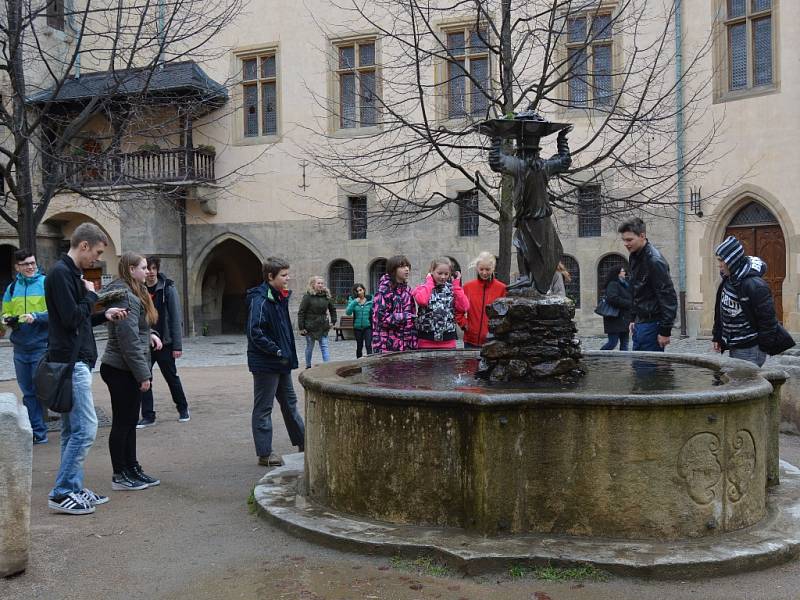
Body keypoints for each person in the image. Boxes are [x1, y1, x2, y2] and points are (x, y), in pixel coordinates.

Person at [45, 223, 128, 515]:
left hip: (75, 359)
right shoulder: (61, 274)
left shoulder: (70, 273)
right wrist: (92, 296)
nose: (96, 258)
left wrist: (103, 315)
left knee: (72, 430)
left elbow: (77, 320)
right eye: (96, 252)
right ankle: (62, 491)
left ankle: (74, 487)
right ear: (83, 246)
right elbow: (69, 319)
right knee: (86, 429)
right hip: (71, 362)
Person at [100, 253, 163, 491]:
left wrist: (152, 335)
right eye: (144, 267)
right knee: (122, 423)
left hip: (126, 367)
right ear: (131, 269)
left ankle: (132, 468)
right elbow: (127, 340)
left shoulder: (136, 291)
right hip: (120, 368)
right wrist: (143, 374)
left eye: (148, 267)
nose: (148, 271)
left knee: (129, 421)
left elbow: (138, 331)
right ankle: (120, 475)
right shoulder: (126, 296)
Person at [246, 257, 305, 467]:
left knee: (290, 403)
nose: (288, 278)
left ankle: (304, 442)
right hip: (266, 363)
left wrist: (284, 354)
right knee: (264, 407)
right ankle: (265, 453)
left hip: (281, 362)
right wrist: (277, 350)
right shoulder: (261, 300)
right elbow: (256, 332)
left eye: (287, 274)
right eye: (284, 275)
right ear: (271, 277)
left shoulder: (279, 297)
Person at [712, 236, 788, 366]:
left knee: (745, 382)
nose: (719, 264)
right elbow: (720, 311)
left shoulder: (755, 285)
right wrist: (718, 336)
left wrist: (763, 346)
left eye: (721, 260)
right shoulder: (727, 280)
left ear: (732, 260)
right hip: (734, 344)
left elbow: (768, 321)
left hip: (750, 348)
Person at [2, 250, 49, 444]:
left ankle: (49, 428)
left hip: (41, 345)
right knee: (28, 392)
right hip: (20, 348)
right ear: (17, 267)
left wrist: (37, 317)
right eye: (25, 264)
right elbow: (5, 312)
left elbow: (56, 312)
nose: (30, 267)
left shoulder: (46, 283)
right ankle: (38, 432)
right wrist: (5, 320)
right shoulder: (12, 288)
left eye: (32, 263)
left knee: (43, 390)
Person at [137, 256, 189, 428]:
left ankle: (183, 408)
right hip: (146, 342)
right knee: (145, 379)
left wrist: (177, 346)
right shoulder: (139, 289)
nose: (150, 272)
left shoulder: (167, 288)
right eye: (147, 269)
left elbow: (175, 317)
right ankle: (148, 415)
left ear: (157, 270)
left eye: (153, 268)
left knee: (171, 377)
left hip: (165, 343)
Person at [618, 217, 677, 352]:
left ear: (642, 236)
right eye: (624, 240)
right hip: (641, 322)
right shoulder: (635, 255)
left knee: (648, 369)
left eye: (629, 240)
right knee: (640, 367)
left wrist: (665, 331)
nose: (626, 244)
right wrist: (633, 318)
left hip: (652, 323)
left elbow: (668, 297)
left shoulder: (654, 261)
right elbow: (636, 289)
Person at [412, 257, 469, 350]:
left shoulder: (453, 289)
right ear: (432, 272)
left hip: (448, 341)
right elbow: (422, 301)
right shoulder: (422, 288)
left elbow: (464, 307)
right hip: (426, 341)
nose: (443, 277)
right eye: (439, 273)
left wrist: (456, 286)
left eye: (446, 274)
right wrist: (429, 282)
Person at [460, 252, 507, 349]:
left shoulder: (502, 288)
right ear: (477, 268)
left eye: (488, 269)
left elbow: (505, 313)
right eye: (481, 269)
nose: (484, 273)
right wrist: (463, 324)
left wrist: (498, 330)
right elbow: (457, 308)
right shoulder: (468, 287)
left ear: (493, 268)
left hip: (492, 340)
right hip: (470, 340)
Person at [372, 255, 417, 353]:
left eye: (407, 266)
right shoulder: (384, 290)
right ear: (393, 270)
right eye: (402, 266)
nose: (406, 269)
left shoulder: (408, 290)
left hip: (406, 344)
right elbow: (380, 319)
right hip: (387, 345)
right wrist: (404, 316)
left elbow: (412, 316)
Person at [297, 276, 337, 369]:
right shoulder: (308, 296)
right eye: (318, 283)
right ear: (313, 285)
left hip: (323, 325)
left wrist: (333, 321)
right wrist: (301, 327)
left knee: (324, 346)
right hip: (310, 326)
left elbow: (332, 309)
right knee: (310, 347)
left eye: (322, 283)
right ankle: (308, 365)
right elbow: (301, 312)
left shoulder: (326, 296)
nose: (320, 285)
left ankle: (327, 367)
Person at [599, 266, 633, 351]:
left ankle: (622, 363)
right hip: (614, 318)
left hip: (624, 318)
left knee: (625, 344)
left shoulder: (625, 284)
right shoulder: (613, 284)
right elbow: (612, 298)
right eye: (623, 271)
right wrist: (629, 303)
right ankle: (598, 356)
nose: (625, 273)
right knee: (612, 343)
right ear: (618, 273)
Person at [345, 283, 373, 358]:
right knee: (359, 346)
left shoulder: (370, 299)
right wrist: (354, 302)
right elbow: (348, 312)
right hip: (357, 328)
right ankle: (358, 364)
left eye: (360, 290)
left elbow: (375, 311)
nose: (359, 292)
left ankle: (371, 362)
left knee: (368, 345)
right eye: (357, 291)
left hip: (368, 327)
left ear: (364, 290)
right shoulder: (353, 300)